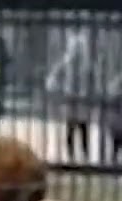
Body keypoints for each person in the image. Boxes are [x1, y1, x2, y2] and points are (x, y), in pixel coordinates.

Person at [45, 31, 95, 163]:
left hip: (80, 101)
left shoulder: (85, 64)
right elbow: (51, 80)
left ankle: (83, 156)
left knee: (81, 130)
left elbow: (91, 81)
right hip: (72, 100)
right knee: (73, 130)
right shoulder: (68, 63)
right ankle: (74, 156)